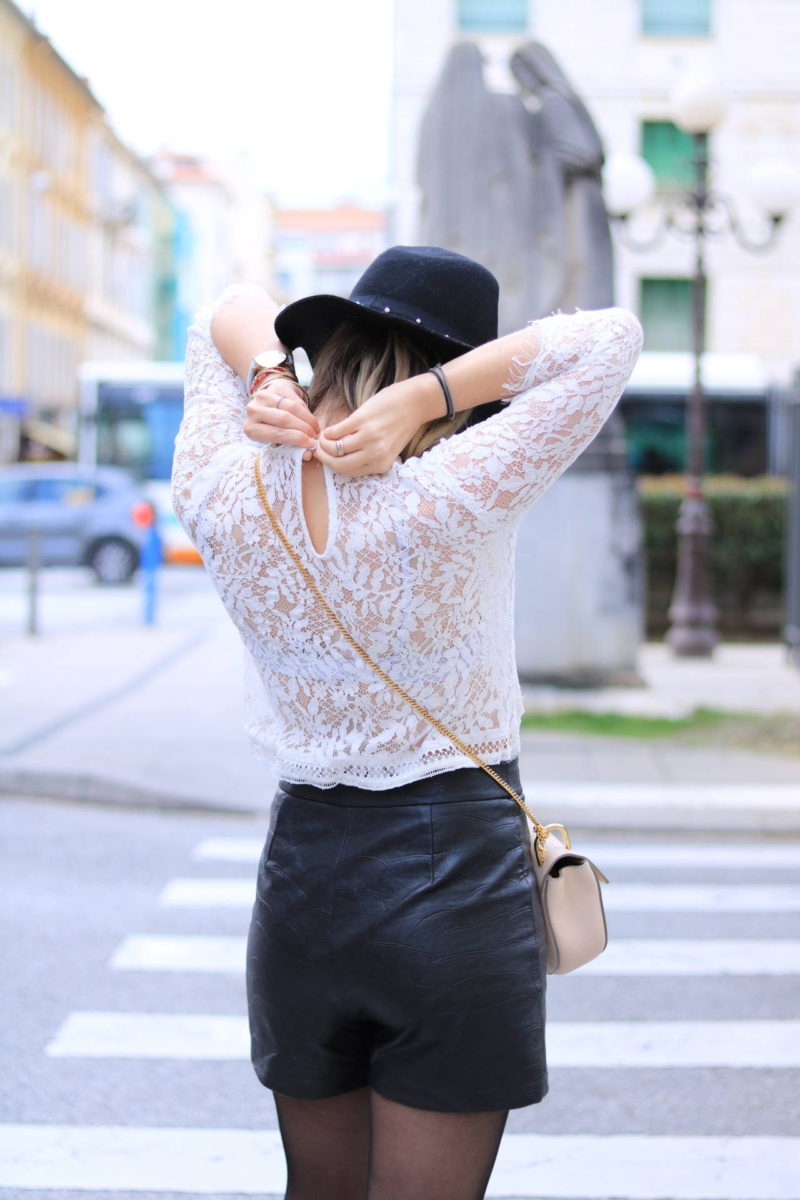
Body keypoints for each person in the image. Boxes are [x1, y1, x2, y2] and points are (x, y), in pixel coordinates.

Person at [171, 245, 642, 1200]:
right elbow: (611, 339)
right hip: (454, 878)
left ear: (332, 347)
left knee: (319, 1188)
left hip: (301, 882)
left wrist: (268, 375)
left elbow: (222, 310)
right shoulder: (458, 486)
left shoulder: (221, 491)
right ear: (456, 381)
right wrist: (425, 400)